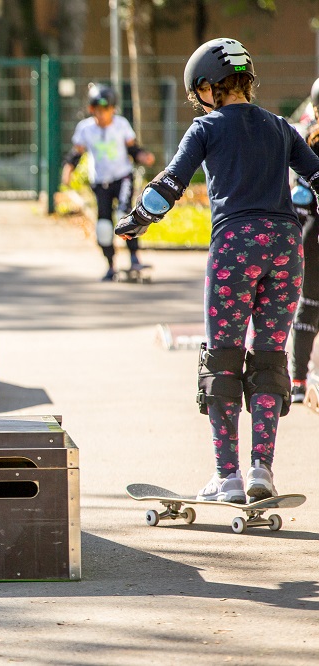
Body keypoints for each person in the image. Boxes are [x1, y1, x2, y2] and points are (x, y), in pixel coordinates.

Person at [116, 38, 319, 502]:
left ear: (208, 87)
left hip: (236, 248)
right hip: (286, 247)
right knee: (269, 356)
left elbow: (169, 183)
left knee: (223, 357)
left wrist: (137, 220)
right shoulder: (281, 127)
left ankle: (227, 477)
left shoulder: (205, 128)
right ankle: (261, 470)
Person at [62, 83, 155, 281]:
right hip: (100, 182)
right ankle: (110, 265)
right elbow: (76, 154)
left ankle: (134, 257)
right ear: (91, 109)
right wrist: (68, 169)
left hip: (122, 177)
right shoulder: (85, 129)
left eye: (107, 110)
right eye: (98, 110)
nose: (102, 115)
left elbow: (132, 148)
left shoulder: (121, 125)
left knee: (124, 215)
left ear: (113, 109)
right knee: (103, 226)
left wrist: (143, 156)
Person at [288, 78, 319, 403]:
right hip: (312, 229)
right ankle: (297, 378)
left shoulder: (306, 135)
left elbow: (299, 196)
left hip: (311, 230)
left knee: (309, 305)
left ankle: (297, 380)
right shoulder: (308, 136)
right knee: (309, 305)